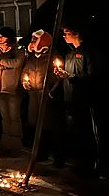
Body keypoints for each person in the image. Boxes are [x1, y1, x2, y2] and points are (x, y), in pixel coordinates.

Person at [53, 23, 99, 175]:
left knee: (87, 133)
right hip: (70, 98)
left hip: (84, 99)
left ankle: (91, 166)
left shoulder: (87, 52)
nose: (64, 36)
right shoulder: (69, 54)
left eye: (67, 32)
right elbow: (68, 75)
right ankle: (79, 163)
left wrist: (70, 76)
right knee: (75, 133)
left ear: (77, 34)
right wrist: (61, 74)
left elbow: (92, 78)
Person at [22, 29, 65, 165]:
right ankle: (41, 153)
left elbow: (59, 77)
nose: (32, 43)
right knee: (37, 126)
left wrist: (52, 91)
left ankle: (58, 157)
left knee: (51, 126)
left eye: (35, 40)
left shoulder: (53, 57)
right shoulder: (32, 57)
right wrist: (25, 82)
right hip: (34, 95)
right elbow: (25, 72)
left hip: (47, 96)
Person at [0, 26, 25, 157]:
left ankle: (15, 146)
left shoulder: (18, 49)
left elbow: (16, 63)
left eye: (2, 36)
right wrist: (3, 65)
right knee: (4, 117)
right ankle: (5, 144)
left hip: (13, 88)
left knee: (14, 118)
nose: (0, 38)